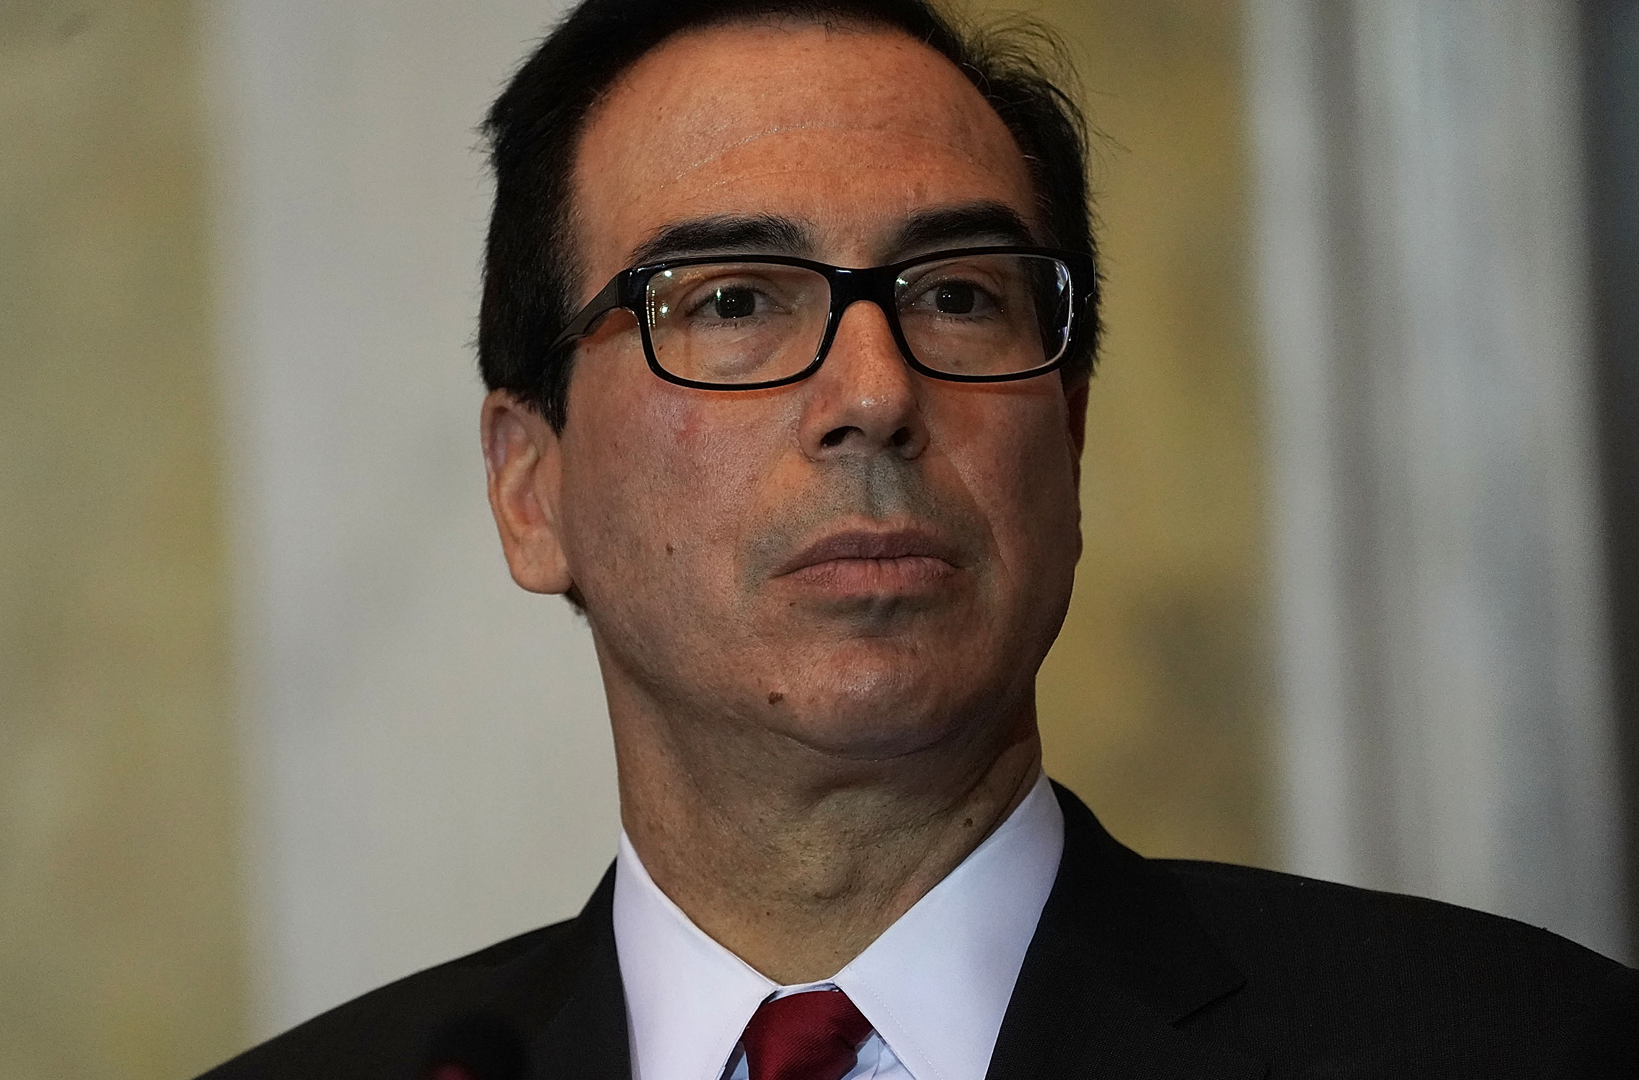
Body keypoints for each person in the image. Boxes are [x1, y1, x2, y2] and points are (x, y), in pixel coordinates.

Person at [201, 1, 1637, 1077]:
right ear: (530, 486)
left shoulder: (1519, 1044)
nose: (876, 396)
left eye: (958, 296)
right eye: (733, 302)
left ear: (1068, 438)